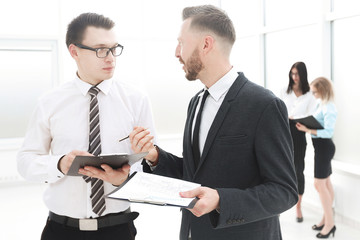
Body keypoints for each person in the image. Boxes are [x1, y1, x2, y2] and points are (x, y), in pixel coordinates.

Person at [84, 5, 298, 240]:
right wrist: (153, 155)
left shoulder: (264, 105)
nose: (177, 52)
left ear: (206, 44)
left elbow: (284, 192)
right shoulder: (196, 102)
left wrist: (220, 200)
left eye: (181, 43)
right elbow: (194, 174)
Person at [17, 12, 156, 240]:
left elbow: (151, 162)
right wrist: (60, 164)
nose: (111, 58)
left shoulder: (136, 100)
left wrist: (126, 178)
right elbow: (25, 162)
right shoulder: (50, 102)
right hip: (61, 231)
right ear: (74, 52)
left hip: (118, 230)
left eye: (114, 49)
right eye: (101, 50)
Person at [296, 77, 337, 238]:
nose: (313, 94)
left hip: (325, 148)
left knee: (319, 184)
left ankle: (330, 224)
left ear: (323, 90)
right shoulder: (321, 104)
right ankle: (326, 219)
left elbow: (329, 132)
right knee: (325, 183)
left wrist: (307, 130)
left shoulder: (330, 108)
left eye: (314, 91)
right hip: (320, 148)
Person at [279, 62, 317, 223]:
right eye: (292, 73)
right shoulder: (284, 91)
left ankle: (298, 207)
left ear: (303, 75)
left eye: (297, 74)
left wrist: (305, 126)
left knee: (298, 169)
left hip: (300, 131)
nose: (294, 77)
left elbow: (313, 115)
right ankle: (279, 205)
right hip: (283, 130)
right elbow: (276, 110)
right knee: (280, 168)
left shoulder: (309, 95)